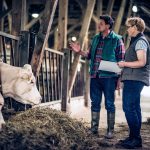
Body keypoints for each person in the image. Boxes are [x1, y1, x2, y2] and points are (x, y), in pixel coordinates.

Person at [69, 15, 125, 138]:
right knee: (95, 103)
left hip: (109, 77)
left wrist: (119, 80)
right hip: (95, 75)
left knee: (109, 103)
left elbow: (121, 61)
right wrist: (79, 51)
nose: (98, 25)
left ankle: (110, 130)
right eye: (99, 23)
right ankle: (94, 129)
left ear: (108, 25)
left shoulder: (117, 39)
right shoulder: (95, 38)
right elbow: (88, 55)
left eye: (101, 23)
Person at [116, 17, 150, 149]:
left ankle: (136, 139)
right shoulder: (136, 41)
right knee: (134, 107)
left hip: (136, 79)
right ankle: (133, 137)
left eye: (129, 26)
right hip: (133, 77)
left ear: (135, 28)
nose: (127, 29)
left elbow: (141, 62)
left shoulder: (140, 42)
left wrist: (124, 64)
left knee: (129, 107)